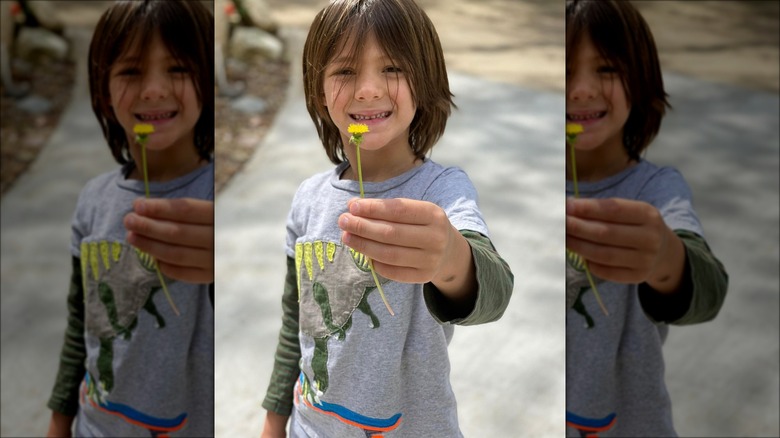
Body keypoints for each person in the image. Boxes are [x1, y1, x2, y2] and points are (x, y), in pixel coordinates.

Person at [260, 0, 514, 436]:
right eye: (344, 71)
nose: (368, 89)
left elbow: (495, 292)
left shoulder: (441, 193)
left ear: (426, 80)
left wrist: (452, 258)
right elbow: (295, 325)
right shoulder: (308, 199)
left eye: (392, 68)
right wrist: (273, 419)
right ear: (318, 91)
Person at [45, 1, 215, 436]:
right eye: (130, 71)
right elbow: (80, 325)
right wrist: (60, 420)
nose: (154, 89)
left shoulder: (215, 200)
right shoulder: (93, 200)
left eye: (177, 68)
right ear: (102, 91)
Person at [564, 1, 728, 436]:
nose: (581, 88)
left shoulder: (657, 192)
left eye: (606, 69)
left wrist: (667, 259)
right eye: (564, 70)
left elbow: (708, 292)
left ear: (641, 78)